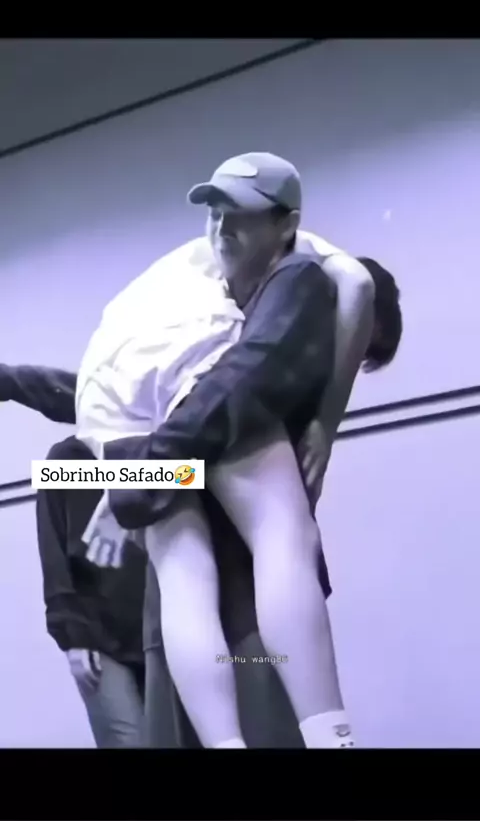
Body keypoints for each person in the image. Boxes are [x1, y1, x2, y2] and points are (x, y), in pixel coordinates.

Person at [0, 254, 401, 748]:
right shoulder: (247, 365)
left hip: (231, 604)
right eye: (356, 344)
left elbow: (189, 440)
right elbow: (155, 428)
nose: (348, 359)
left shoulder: (283, 387)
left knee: (261, 711)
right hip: (177, 609)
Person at [72, 152, 391, 749]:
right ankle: (331, 734)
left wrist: (126, 481)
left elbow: (83, 428)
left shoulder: (175, 286)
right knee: (282, 530)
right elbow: (356, 286)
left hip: (113, 412)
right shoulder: (294, 278)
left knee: (184, 573)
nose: (221, 227)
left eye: (237, 214)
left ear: (281, 223)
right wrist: (325, 422)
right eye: (216, 212)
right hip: (165, 430)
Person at [35, 434, 146, 748]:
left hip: (163, 628)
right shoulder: (66, 457)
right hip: (98, 635)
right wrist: (72, 635)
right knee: (129, 740)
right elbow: (53, 552)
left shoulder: (161, 450)